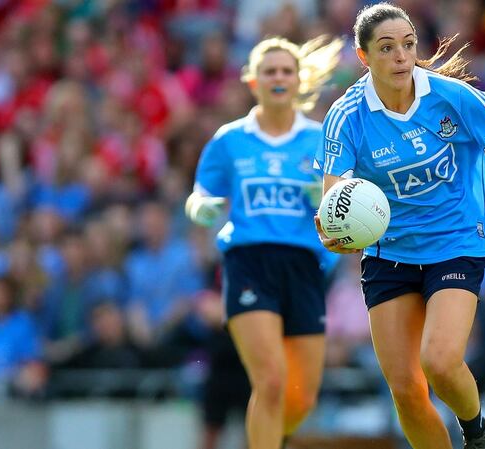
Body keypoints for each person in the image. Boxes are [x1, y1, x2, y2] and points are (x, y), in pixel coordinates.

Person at [314, 3, 485, 448]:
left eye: (408, 44)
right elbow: (333, 200)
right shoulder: (346, 115)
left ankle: (477, 431)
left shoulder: (450, 96)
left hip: (457, 240)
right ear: (364, 57)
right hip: (390, 252)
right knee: (406, 390)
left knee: (439, 361)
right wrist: (334, 231)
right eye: (386, 47)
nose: (401, 56)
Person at [185, 35, 343, 449]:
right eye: (269, 71)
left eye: (286, 71)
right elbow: (201, 193)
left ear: (298, 80)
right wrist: (200, 208)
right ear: (253, 81)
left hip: (306, 268)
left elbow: (344, 200)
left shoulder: (320, 139)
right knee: (271, 381)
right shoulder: (229, 140)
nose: (278, 77)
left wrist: (328, 197)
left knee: (301, 396)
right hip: (249, 263)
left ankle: (272, 437)